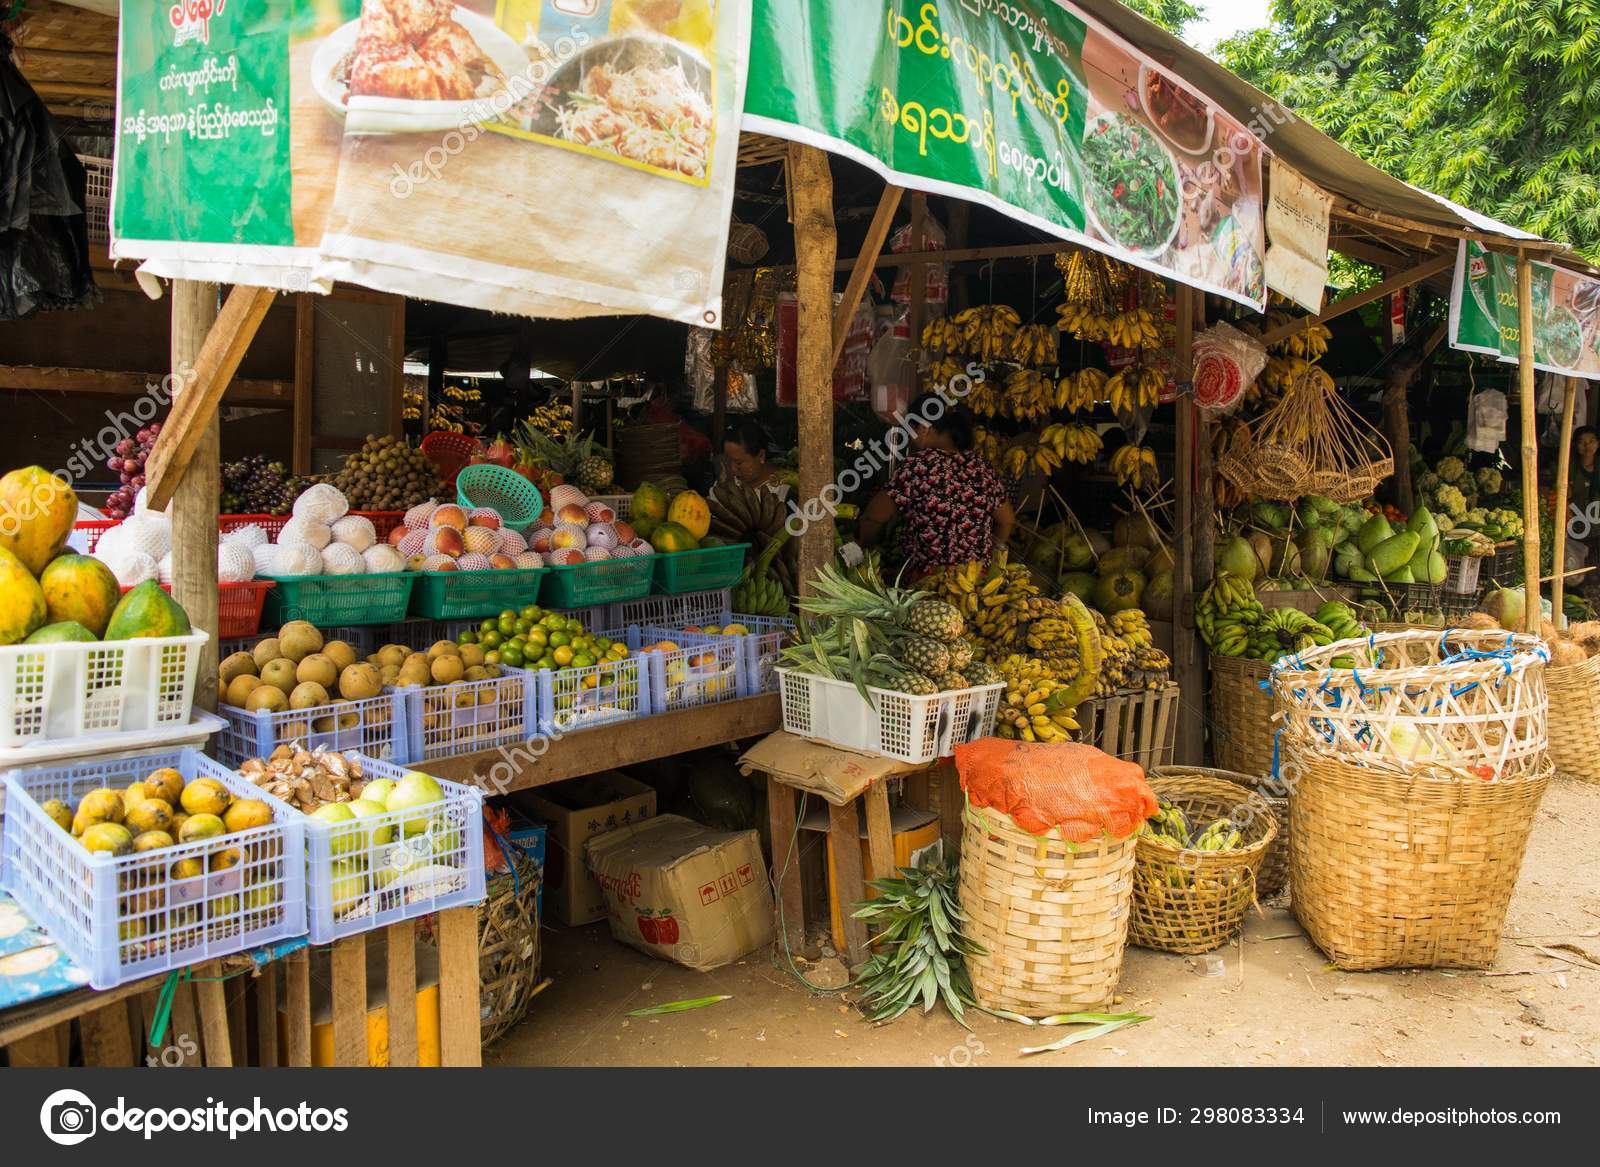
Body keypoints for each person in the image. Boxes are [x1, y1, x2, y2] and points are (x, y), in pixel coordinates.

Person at [857, 393, 1014, 579]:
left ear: (923, 429)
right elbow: (1006, 521)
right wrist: (988, 558)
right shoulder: (980, 466)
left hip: (928, 581)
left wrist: (865, 551)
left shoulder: (917, 466)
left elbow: (873, 518)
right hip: (976, 583)